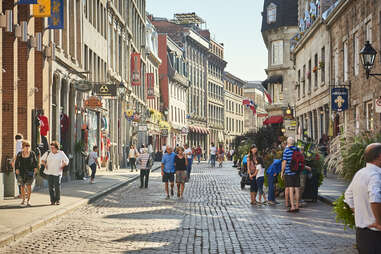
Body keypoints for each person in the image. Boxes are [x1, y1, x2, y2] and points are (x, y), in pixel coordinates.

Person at [344, 143, 381, 253]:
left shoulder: (360, 173)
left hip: (362, 231)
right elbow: (375, 199)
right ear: (379, 156)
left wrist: (360, 213)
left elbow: (348, 196)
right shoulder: (375, 176)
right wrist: (378, 222)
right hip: (375, 232)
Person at [41, 141, 69, 205]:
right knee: (50, 187)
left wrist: (62, 166)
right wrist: (45, 164)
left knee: (57, 186)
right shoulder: (48, 153)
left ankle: (58, 200)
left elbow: (67, 160)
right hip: (49, 172)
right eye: (51, 147)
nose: (52, 149)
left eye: (53, 148)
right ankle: (52, 200)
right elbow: (42, 160)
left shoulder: (61, 153)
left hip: (57, 172)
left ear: (57, 148)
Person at [14, 140, 38, 207]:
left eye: (28, 146)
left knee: (29, 186)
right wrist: (16, 169)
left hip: (30, 172)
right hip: (21, 172)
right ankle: (23, 200)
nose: (27, 148)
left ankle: (28, 200)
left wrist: (35, 168)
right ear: (23, 147)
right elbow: (16, 163)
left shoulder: (32, 153)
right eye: (26, 146)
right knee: (22, 186)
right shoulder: (19, 154)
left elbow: (35, 162)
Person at [281, 137, 300, 212]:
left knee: (291, 189)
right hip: (297, 172)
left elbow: (284, 162)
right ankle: (297, 205)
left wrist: (282, 172)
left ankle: (292, 206)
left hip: (289, 172)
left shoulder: (286, 150)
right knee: (297, 189)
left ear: (288, 143)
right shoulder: (297, 149)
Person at [13, 134, 23, 198]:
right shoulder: (24, 142)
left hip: (19, 164)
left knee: (19, 179)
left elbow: (17, 154)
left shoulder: (18, 143)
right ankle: (25, 193)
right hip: (25, 164)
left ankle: (21, 194)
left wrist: (13, 160)